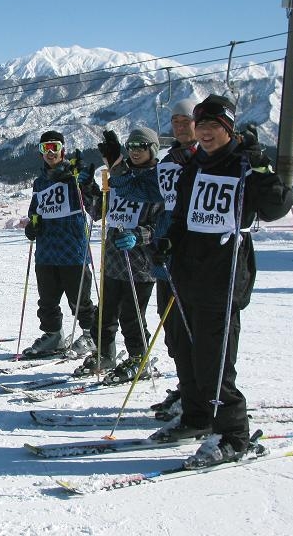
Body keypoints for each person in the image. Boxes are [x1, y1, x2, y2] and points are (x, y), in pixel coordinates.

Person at [152, 94, 293, 468]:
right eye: (201, 125)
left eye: (214, 126)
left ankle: (233, 434)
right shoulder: (194, 165)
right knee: (184, 350)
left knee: (213, 359)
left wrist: (261, 164)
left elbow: (278, 206)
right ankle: (196, 415)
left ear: (228, 129)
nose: (206, 132)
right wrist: (168, 240)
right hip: (187, 271)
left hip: (224, 273)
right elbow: (182, 215)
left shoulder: (243, 164)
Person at [107, 98, 199, 408]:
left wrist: (140, 236)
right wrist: (115, 166)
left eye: (186, 121)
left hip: (168, 260)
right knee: (172, 329)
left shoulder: (200, 162)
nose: (180, 126)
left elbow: (157, 217)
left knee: (192, 328)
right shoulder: (166, 167)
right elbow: (128, 192)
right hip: (159, 259)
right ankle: (188, 390)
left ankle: (201, 397)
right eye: (175, 121)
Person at [78, 127, 164, 381]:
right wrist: (88, 188)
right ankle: (105, 353)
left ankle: (139, 358)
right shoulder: (120, 177)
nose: (135, 151)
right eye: (131, 146)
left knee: (131, 315)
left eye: (141, 146)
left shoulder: (156, 181)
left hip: (141, 264)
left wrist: (139, 235)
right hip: (114, 259)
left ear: (153, 149)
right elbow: (100, 212)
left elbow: (161, 225)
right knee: (104, 314)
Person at [21, 130, 98, 358]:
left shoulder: (74, 175)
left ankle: (92, 335)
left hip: (72, 248)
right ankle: (54, 335)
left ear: (63, 149)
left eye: (54, 147)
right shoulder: (40, 182)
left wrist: (86, 183)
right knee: (47, 300)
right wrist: (32, 226)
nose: (50, 152)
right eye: (45, 148)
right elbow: (35, 210)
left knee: (79, 299)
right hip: (46, 250)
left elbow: (95, 207)